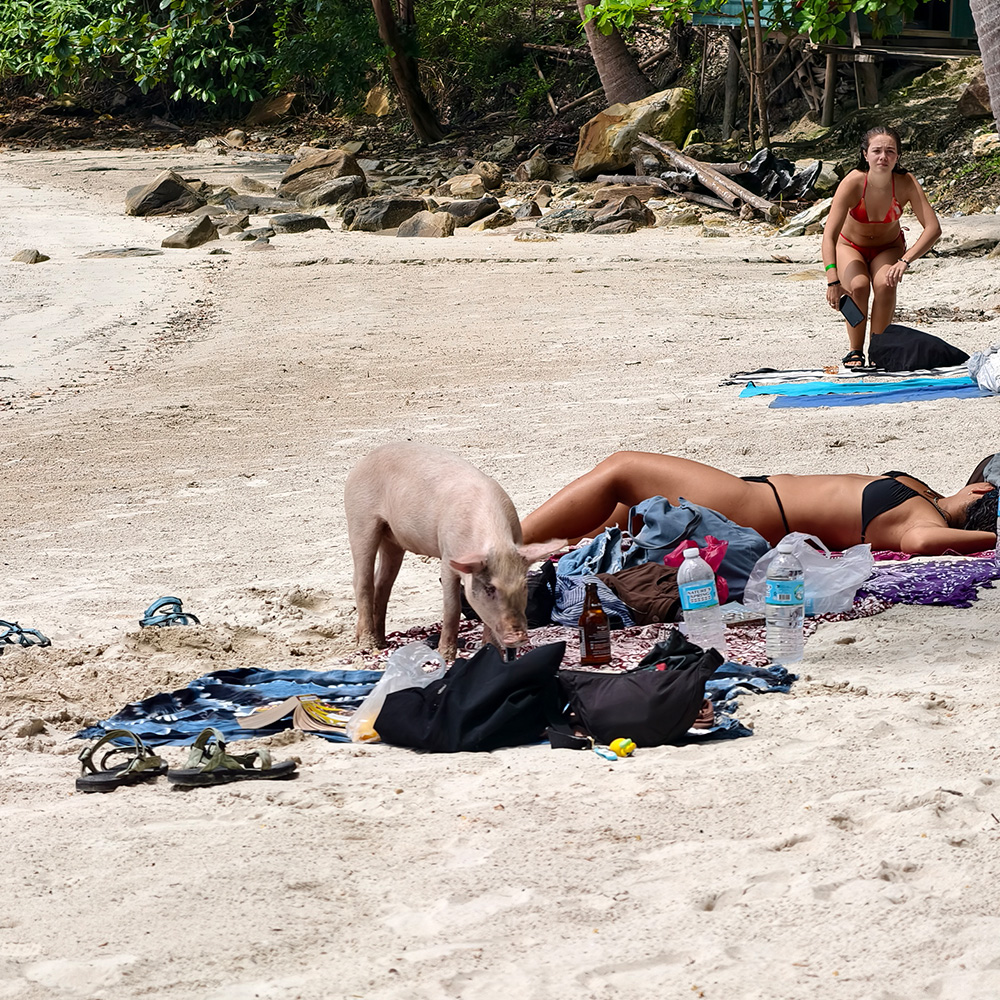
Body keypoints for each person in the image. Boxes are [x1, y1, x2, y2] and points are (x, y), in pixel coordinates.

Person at [520, 452, 997, 556]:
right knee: (616, 519)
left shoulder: (922, 517)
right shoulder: (924, 495)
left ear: (982, 491)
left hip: (749, 507)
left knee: (622, 472)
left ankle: (503, 541)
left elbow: (919, 542)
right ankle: (522, 551)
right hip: (748, 495)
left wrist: (990, 536)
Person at [822, 125, 942, 369]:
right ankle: (855, 351)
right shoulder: (854, 182)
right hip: (850, 245)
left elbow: (933, 228)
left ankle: (879, 350)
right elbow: (829, 236)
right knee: (858, 286)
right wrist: (833, 280)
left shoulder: (905, 183)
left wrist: (905, 260)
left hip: (889, 247)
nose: (883, 157)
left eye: (890, 151)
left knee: (884, 283)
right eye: (876, 151)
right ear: (865, 154)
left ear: (898, 156)